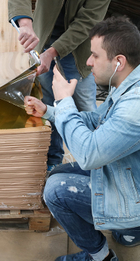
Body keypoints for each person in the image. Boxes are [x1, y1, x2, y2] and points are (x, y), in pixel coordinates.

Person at [24, 16, 140, 261]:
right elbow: (96, 121)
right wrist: (50, 111)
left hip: (134, 194)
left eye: (95, 55)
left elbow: (89, 155)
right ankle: (128, 232)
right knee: (56, 174)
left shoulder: (135, 107)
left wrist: (65, 101)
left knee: (55, 191)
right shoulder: (127, 85)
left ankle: (102, 256)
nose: (88, 62)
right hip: (129, 174)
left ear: (119, 62)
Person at [8, 0, 118, 170]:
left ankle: (98, 167)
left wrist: (52, 53)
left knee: (85, 105)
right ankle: (52, 164)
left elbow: (87, 21)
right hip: (42, 38)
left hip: (79, 50)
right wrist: (25, 23)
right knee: (47, 104)